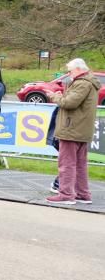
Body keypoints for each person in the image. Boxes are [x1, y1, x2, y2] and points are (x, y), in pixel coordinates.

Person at [43, 58, 99, 205]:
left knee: (66, 164)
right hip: (81, 130)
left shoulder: (82, 83)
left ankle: (66, 194)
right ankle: (83, 194)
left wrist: (55, 96)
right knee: (80, 164)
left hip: (71, 129)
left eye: (70, 71)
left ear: (79, 69)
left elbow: (68, 103)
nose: (68, 74)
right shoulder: (89, 83)